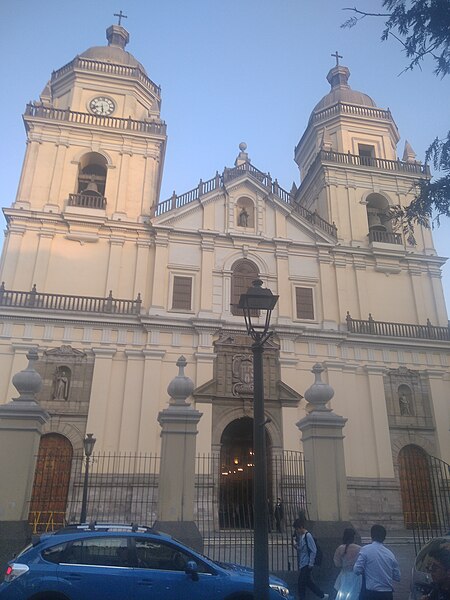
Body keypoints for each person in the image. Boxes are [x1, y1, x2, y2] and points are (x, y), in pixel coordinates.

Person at [353, 524, 400, 600]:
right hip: (387, 594)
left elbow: (356, 570)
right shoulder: (390, 554)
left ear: (372, 536)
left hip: (370, 593)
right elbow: (397, 577)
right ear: (384, 538)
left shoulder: (365, 550)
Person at [292, 516, 328, 600]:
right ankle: (322, 595)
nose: (296, 531)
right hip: (304, 562)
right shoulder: (302, 537)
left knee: (301, 583)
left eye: (297, 529)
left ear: (301, 527)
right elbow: (302, 549)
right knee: (308, 582)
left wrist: (311, 563)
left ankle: (304, 598)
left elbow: (313, 550)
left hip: (307, 563)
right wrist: (296, 546)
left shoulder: (308, 536)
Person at [333, 527, 362, 600]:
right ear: (353, 537)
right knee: (354, 594)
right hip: (356, 576)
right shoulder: (359, 548)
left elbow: (337, 563)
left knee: (343, 594)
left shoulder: (340, 548)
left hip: (344, 575)